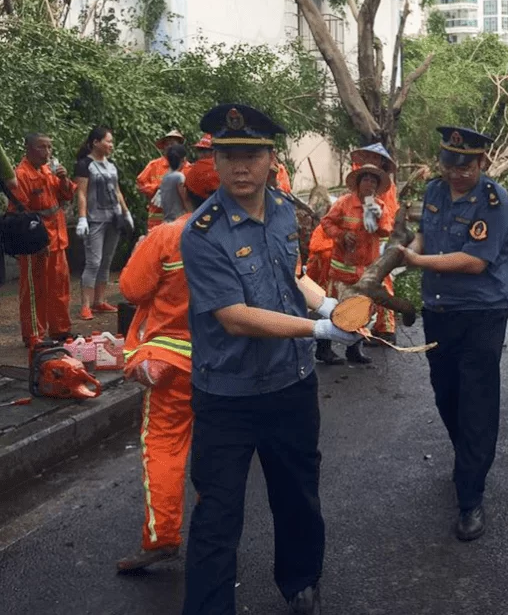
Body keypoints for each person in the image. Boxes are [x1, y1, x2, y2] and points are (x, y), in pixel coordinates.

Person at [179, 103, 363, 615]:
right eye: (229, 156)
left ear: (270, 158)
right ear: (215, 161)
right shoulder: (202, 233)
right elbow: (235, 317)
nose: (240, 167)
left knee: (298, 493)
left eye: (252, 155)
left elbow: (293, 276)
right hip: (227, 394)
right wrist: (320, 329)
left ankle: (301, 582)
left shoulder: (283, 210)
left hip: (291, 385)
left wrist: (329, 306)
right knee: (217, 514)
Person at [398, 126, 508, 542]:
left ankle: (470, 498)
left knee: (476, 401)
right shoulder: (434, 190)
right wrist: (406, 249)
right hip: (439, 310)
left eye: (465, 165)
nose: (455, 172)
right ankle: (469, 459)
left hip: (481, 312)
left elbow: (474, 261)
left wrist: (416, 261)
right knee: (446, 393)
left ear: (481, 162)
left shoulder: (493, 200)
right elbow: (424, 233)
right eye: (449, 163)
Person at [116, 211, 194, 574]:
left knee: (164, 446)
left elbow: (132, 289)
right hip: (228, 363)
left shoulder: (169, 235)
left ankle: (162, 537)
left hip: (171, 363)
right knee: (223, 451)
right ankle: (216, 538)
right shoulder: (247, 228)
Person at [318, 144, 399, 366]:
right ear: (359, 183)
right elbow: (326, 223)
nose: (369, 184)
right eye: (366, 180)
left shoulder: (379, 206)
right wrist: (342, 235)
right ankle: (323, 348)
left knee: (360, 309)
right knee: (333, 309)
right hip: (342, 271)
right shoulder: (344, 203)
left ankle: (354, 349)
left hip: (366, 270)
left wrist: (377, 217)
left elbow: (386, 231)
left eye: (373, 181)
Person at [10, 133, 75, 347]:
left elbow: (67, 195)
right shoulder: (21, 175)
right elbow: (19, 213)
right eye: (42, 147)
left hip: (58, 238)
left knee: (59, 287)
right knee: (34, 290)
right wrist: (35, 240)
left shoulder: (48, 170)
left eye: (49, 147)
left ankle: (60, 329)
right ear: (29, 149)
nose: (47, 152)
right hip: (36, 242)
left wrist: (64, 179)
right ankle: (34, 335)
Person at [74, 126, 133, 321]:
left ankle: (99, 301)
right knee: (94, 261)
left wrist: (126, 212)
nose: (111, 145)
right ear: (95, 142)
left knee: (106, 260)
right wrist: (82, 218)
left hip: (114, 218)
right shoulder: (85, 165)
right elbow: (81, 193)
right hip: (95, 219)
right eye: (108, 141)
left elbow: (117, 190)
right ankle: (85, 305)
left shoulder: (111, 165)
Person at [137, 129, 185, 231]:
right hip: (156, 219)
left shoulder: (187, 168)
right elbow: (140, 183)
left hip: (178, 219)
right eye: (167, 144)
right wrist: (156, 189)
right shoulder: (154, 165)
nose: (169, 147)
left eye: (172, 144)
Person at [184, 133, 220, 206]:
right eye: (199, 150)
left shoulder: (194, 169)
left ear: (214, 152)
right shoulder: (223, 166)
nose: (200, 154)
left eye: (203, 151)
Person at [159, 143, 191, 223]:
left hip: (167, 221)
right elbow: (185, 199)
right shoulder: (179, 177)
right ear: (183, 160)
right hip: (179, 220)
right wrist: (192, 215)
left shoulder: (165, 177)